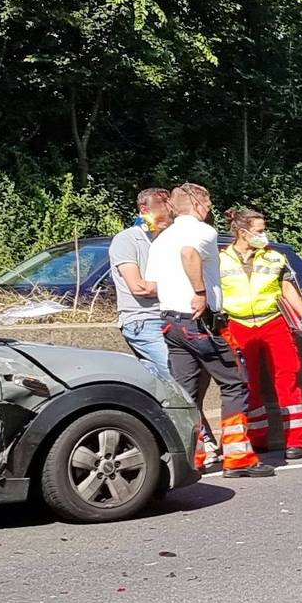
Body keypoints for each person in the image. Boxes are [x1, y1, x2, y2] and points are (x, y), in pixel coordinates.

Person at [148, 182, 266, 477]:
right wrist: (200, 292)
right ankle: (238, 458)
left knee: (186, 392)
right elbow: (189, 253)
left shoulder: (162, 238)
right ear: (197, 203)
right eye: (208, 201)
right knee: (235, 382)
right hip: (199, 321)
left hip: (171, 322)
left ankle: (193, 456)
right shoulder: (202, 231)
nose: (211, 206)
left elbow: (152, 284)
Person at [218, 206, 302, 460]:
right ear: (243, 233)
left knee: (287, 378)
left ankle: (295, 441)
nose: (264, 235)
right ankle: (258, 438)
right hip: (238, 325)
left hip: (273, 322)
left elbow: (287, 287)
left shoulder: (274, 257)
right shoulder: (220, 260)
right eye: (259, 231)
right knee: (248, 384)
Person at [109, 188, 171, 376]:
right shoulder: (127, 239)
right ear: (144, 209)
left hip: (172, 318)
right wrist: (178, 289)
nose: (169, 210)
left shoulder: (168, 240)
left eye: (170, 205)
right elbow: (139, 288)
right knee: (173, 371)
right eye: (162, 205)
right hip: (144, 320)